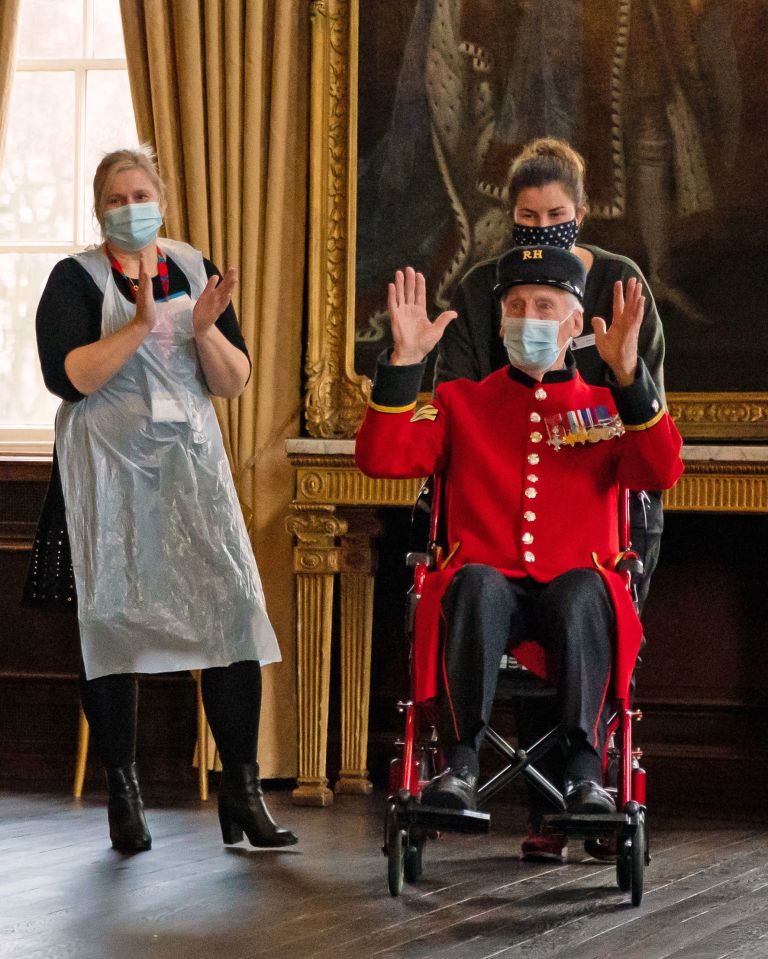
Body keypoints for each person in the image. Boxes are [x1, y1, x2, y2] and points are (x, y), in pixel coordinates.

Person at [22, 147, 297, 853]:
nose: (130, 207)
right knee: (112, 624)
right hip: (107, 480)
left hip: (191, 479)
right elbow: (69, 376)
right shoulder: (75, 280)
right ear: (98, 211)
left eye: (140, 193)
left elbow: (233, 380)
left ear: (163, 202)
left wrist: (203, 328)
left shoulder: (191, 266)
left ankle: (242, 789)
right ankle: (126, 790)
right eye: (116, 198)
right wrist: (140, 325)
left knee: (233, 614)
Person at [355, 250, 682, 837]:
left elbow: (660, 471)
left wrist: (633, 381)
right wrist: (403, 362)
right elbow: (380, 458)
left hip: (571, 598)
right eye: (515, 307)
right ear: (501, 320)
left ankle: (585, 774)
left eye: (544, 306)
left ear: (575, 324)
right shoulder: (463, 404)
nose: (527, 318)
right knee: (474, 581)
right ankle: (458, 769)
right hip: (490, 597)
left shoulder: (607, 410)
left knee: (588, 589)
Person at [434, 138, 666, 859]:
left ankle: (586, 785)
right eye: (527, 216)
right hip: (488, 505)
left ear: (582, 212)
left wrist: (620, 381)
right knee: (481, 588)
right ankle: (522, 795)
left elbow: (651, 432)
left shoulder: (622, 284)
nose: (542, 227)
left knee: (579, 611)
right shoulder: (479, 289)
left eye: (556, 214)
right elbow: (459, 401)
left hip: (603, 509)